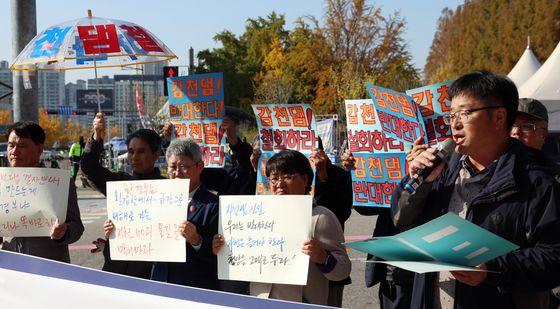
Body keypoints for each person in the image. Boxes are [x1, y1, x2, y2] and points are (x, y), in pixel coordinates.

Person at [391, 71, 560, 308]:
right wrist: (419, 185)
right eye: (452, 116)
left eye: (466, 113)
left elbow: (553, 258)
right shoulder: (439, 170)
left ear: (499, 117)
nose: (455, 124)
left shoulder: (536, 182)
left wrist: (492, 268)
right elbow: (401, 220)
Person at [213, 149, 351, 305]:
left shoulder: (320, 217)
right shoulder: (256, 216)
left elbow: (343, 270)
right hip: (259, 301)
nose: (279, 184)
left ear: (305, 180)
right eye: (274, 179)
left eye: (287, 177)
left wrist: (323, 257)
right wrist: (224, 248)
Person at [104, 138, 220, 290]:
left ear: (200, 167)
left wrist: (196, 240)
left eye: (183, 166)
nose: (177, 173)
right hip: (158, 283)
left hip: (195, 288)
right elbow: (137, 237)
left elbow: (220, 256)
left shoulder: (213, 205)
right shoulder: (152, 198)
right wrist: (115, 233)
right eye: (172, 167)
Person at [81, 112, 165, 279]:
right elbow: (89, 167)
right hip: (116, 271)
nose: (134, 157)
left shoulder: (169, 190)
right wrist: (97, 137)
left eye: (141, 152)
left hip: (152, 276)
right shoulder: (119, 183)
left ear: (156, 154)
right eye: (131, 151)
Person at [340, 148, 415, 309]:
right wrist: (356, 172)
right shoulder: (388, 147)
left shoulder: (446, 163)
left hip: (431, 267)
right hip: (393, 269)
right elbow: (366, 207)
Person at [0, 121, 84, 263]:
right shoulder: (2, 182)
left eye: (22, 146)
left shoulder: (58, 182)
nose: (14, 151)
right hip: (9, 266)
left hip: (48, 268)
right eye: (11, 145)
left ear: (39, 149)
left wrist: (65, 232)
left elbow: (77, 226)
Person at [309, 138, 353, 307]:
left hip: (328, 267)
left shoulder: (339, 175)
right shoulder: (279, 180)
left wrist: (322, 176)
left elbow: (341, 212)